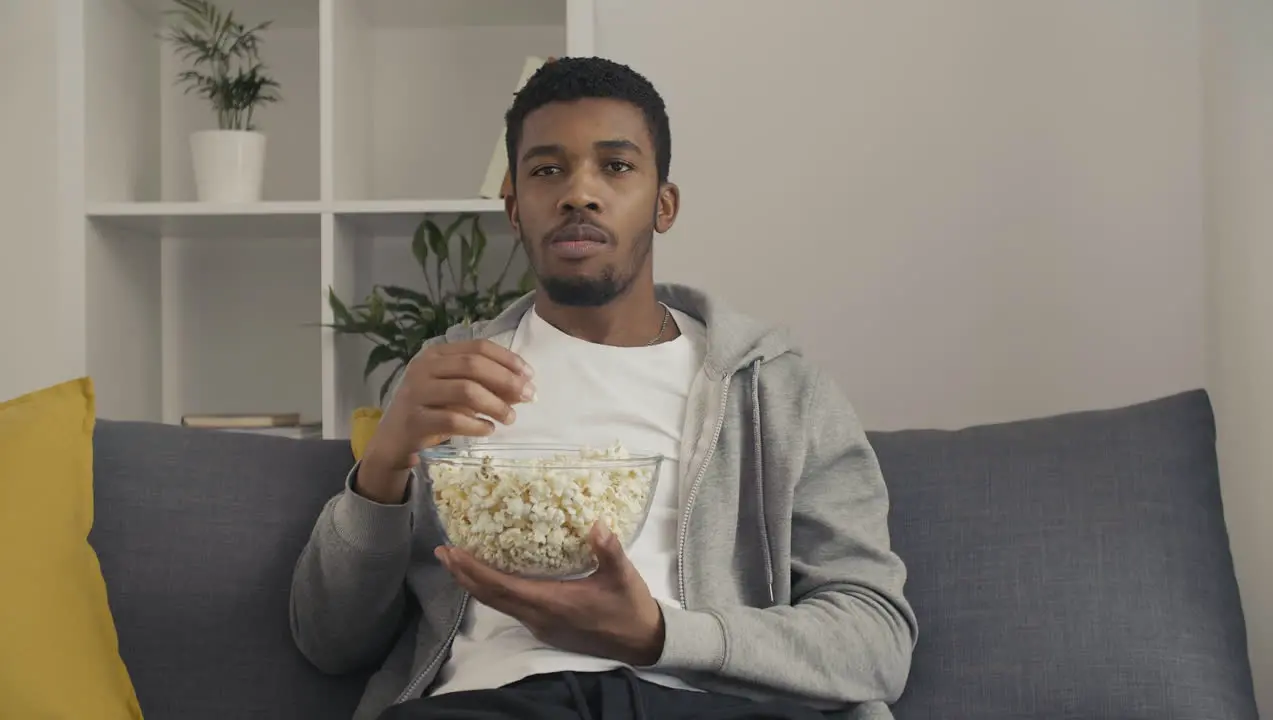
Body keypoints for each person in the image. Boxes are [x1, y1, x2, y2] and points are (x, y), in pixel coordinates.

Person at [290, 56, 918, 720]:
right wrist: (384, 464)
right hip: (496, 702)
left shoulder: (780, 393)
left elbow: (876, 641)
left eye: (615, 167)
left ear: (663, 204)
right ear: (513, 207)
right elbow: (330, 642)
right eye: (546, 170)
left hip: (705, 702)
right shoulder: (449, 376)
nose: (578, 194)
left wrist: (657, 634)